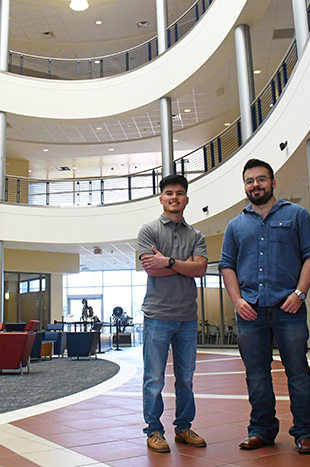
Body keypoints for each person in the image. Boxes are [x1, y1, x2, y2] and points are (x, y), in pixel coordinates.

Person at [219, 159, 310, 455]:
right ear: (245, 186)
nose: (256, 185)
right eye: (250, 180)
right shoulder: (235, 225)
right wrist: (237, 300)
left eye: (261, 179)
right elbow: (226, 265)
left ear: (273, 183)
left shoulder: (297, 215)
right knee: (256, 375)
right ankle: (261, 430)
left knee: (299, 372)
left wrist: (300, 293)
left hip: (288, 308)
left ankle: (306, 432)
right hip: (250, 311)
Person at [138, 174, 208, 453]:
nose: (174, 198)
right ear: (161, 199)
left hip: (188, 317)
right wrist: (184, 264)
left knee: (186, 377)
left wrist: (167, 260)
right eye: (169, 193)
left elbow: (201, 270)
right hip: (157, 315)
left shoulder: (196, 235)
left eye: (180, 193)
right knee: (154, 378)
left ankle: (183, 428)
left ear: (186, 199)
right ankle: (154, 430)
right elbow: (150, 268)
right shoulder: (149, 230)